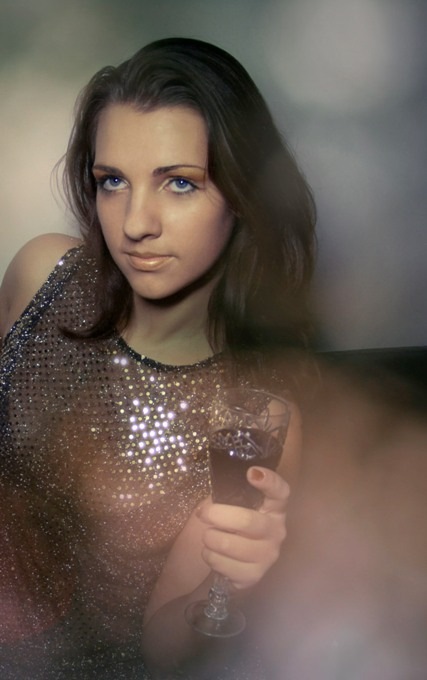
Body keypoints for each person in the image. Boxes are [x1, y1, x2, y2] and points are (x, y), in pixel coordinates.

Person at [0, 37, 316, 678]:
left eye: (179, 183)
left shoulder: (256, 418)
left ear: (244, 194)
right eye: (112, 181)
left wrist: (230, 585)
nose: (135, 223)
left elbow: (162, 648)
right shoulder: (44, 273)